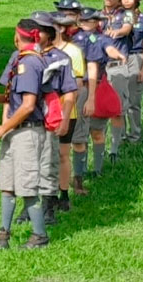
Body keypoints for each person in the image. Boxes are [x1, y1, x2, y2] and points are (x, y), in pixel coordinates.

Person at [0, 19, 49, 250]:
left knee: (27, 185)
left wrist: (2, 128)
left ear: (17, 35)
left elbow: (29, 105)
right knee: (7, 184)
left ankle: (40, 235)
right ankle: (4, 234)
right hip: (14, 130)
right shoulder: (18, 58)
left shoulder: (30, 63)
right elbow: (16, 97)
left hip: (27, 131)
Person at [23, 11, 77, 226]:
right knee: (28, 162)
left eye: (37, 30)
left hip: (50, 115)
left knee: (48, 162)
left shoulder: (61, 58)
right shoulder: (24, 55)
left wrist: (65, 120)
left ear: (47, 33)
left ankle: (48, 205)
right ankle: (28, 205)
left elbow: (70, 92)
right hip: (27, 115)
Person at [73, 7, 126, 177]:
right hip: (77, 88)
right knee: (79, 136)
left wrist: (118, 55)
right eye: (82, 20)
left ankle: (97, 169)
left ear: (96, 22)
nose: (85, 24)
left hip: (95, 87)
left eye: (89, 20)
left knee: (97, 131)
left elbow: (110, 49)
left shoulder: (101, 39)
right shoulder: (74, 38)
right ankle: (80, 173)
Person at [49, 11, 85, 211]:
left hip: (65, 112)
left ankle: (63, 194)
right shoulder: (40, 50)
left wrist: (64, 108)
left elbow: (77, 85)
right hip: (44, 113)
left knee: (63, 154)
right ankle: (46, 195)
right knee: (46, 155)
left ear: (61, 28)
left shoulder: (73, 52)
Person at [99, 0, 132, 164]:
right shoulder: (98, 15)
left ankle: (115, 148)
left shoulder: (126, 14)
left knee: (117, 110)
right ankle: (100, 146)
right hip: (101, 67)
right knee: (101, 109)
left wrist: (116, 31)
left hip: (118, 66)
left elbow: (126, 29)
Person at [121, 0, 143, 143]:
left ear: (136, 0)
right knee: (119, 100)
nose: (126, 0)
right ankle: (119, 136)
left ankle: (134, 135)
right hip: (119, 59)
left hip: (136, 57)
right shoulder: (116, 18)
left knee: (133, 100)